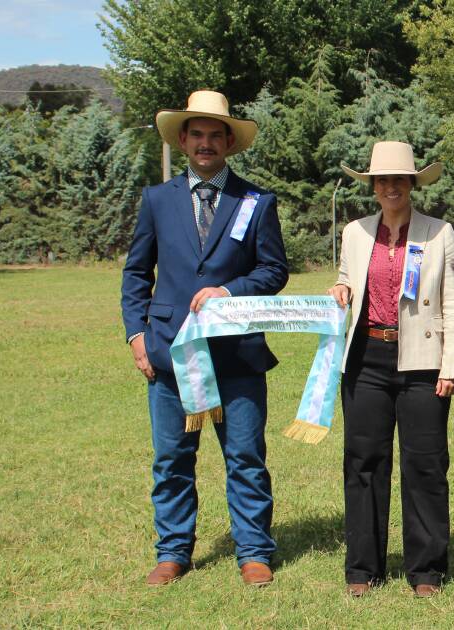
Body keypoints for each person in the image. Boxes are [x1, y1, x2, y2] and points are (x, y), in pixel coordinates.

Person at [121, 90, 288, 587]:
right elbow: (135, 276)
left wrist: (229, 289)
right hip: (171, 354)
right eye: (197, 134)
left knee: (245, 456)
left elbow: (274, 270)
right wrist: (136, 336)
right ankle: (172, 552)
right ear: (184, 139)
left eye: (216, 135)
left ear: (229, 143)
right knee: (172, 459)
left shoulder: (256, 202)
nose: (206, 143)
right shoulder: (156, 200)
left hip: (237, 355)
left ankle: (254, 551)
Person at [328, 141, 454, 598]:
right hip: (366, 358)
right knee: (363, 462)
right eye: (382, 180)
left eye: (399, 179)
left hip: (424, 363)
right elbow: (348, 279)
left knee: (425, 464)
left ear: (412, 184)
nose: (391, 187)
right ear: (372, 186)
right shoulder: (354, 233)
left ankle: (426, 571)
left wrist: (453, 365)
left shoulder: (439, 233)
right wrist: (341, 288)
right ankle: (362, 568)